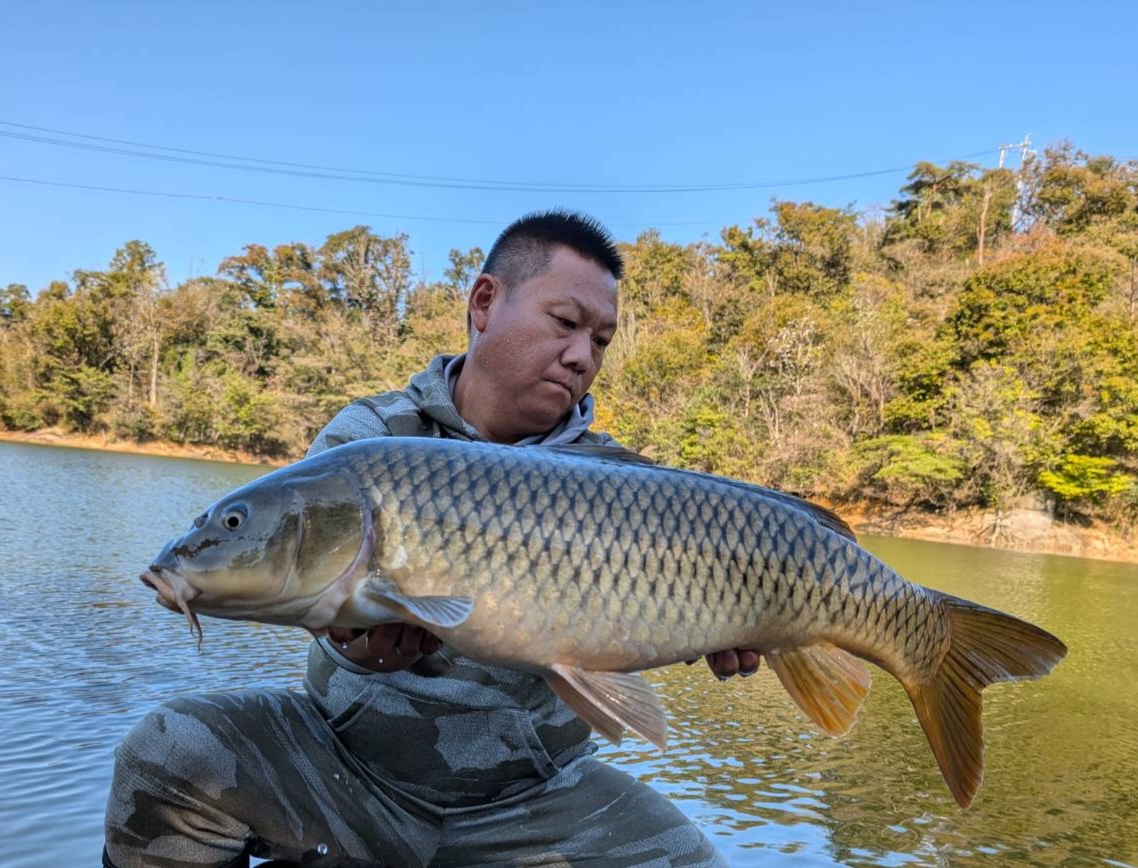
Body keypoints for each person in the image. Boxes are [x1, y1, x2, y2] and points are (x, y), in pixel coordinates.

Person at [104, 211, 760, 868]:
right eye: (565, 323)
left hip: (536, 799)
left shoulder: (617, 481)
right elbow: (314, 604)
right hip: (346, 774)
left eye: (601, 341)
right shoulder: (367, 439)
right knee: (168, 753)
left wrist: (729, 616)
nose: (582, 355)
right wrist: (358, 651)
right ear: (484, 303)